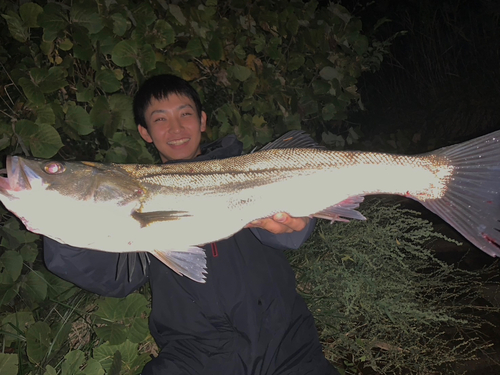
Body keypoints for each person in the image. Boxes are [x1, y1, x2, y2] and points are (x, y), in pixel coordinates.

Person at [44, 74, 338, 374]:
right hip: (194, 355)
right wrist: (59, 225)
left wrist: (296, 226)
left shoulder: (249, 169)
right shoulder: (134, 199)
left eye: (185, 114)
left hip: (288, 344)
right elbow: (118, 276)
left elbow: (292, 234)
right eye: (160, 119)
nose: (175, 128)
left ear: (202, 121)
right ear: (145, 132)